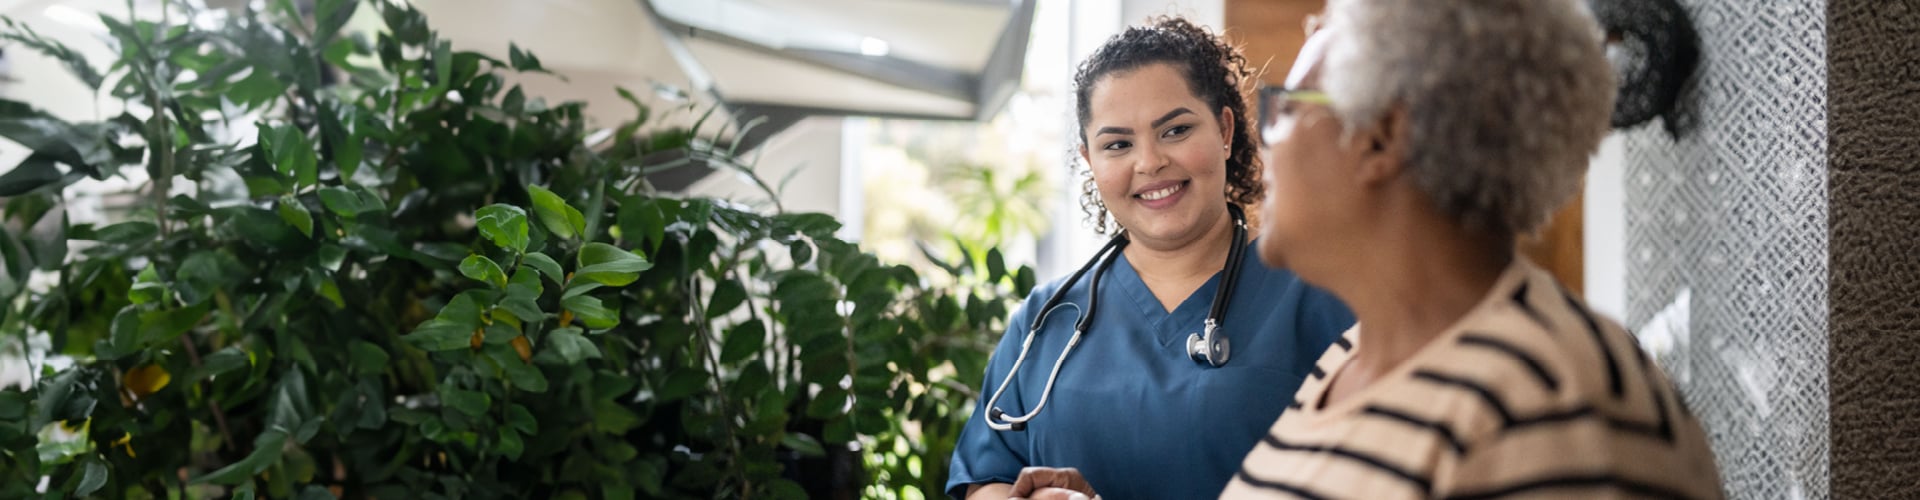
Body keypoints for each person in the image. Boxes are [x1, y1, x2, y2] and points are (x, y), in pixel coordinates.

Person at [1219, 0, 1725, 497]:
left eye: (1289, 108)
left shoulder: (1548, 405)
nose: (1268, 143)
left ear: (1380, 136)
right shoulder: (1347, 361)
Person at [947, 17, 1354, 500]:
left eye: (1176, 130)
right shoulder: (1046, 318)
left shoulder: (1321, 295)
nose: (1149, 162)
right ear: (1090, 160)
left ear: (1225, 130)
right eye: (1117, 144)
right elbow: (984, 479)